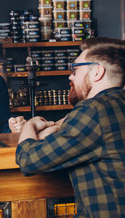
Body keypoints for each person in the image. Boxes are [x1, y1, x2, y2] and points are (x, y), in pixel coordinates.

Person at [15, 37, 125, 217]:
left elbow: (28, 160)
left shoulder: (93, 111)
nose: (70, 76)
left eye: (75, 69)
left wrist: (29, 125)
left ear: (97, 72)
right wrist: (54, 127)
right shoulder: (113, 105)